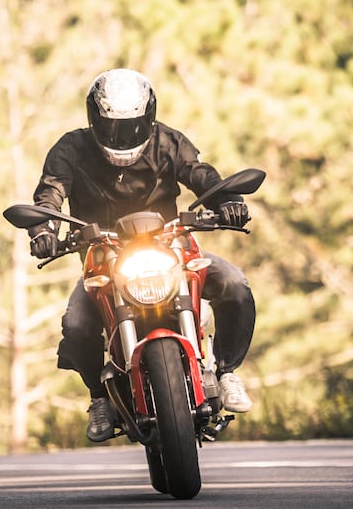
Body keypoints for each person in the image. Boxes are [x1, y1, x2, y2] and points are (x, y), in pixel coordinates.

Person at [28, 68, 256, 442]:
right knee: (77, 324)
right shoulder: (71, 149)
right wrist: (44, 231)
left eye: (132, 126)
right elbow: (50, 194)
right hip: (104, 256)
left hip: (170, 246)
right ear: (95, 118)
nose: (123, 136)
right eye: (112, 127)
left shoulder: (168, 142)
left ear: (148, 116)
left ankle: (227, 371)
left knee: (234, 283)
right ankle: (99, 397)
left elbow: (201, 175)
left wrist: (228, 201)